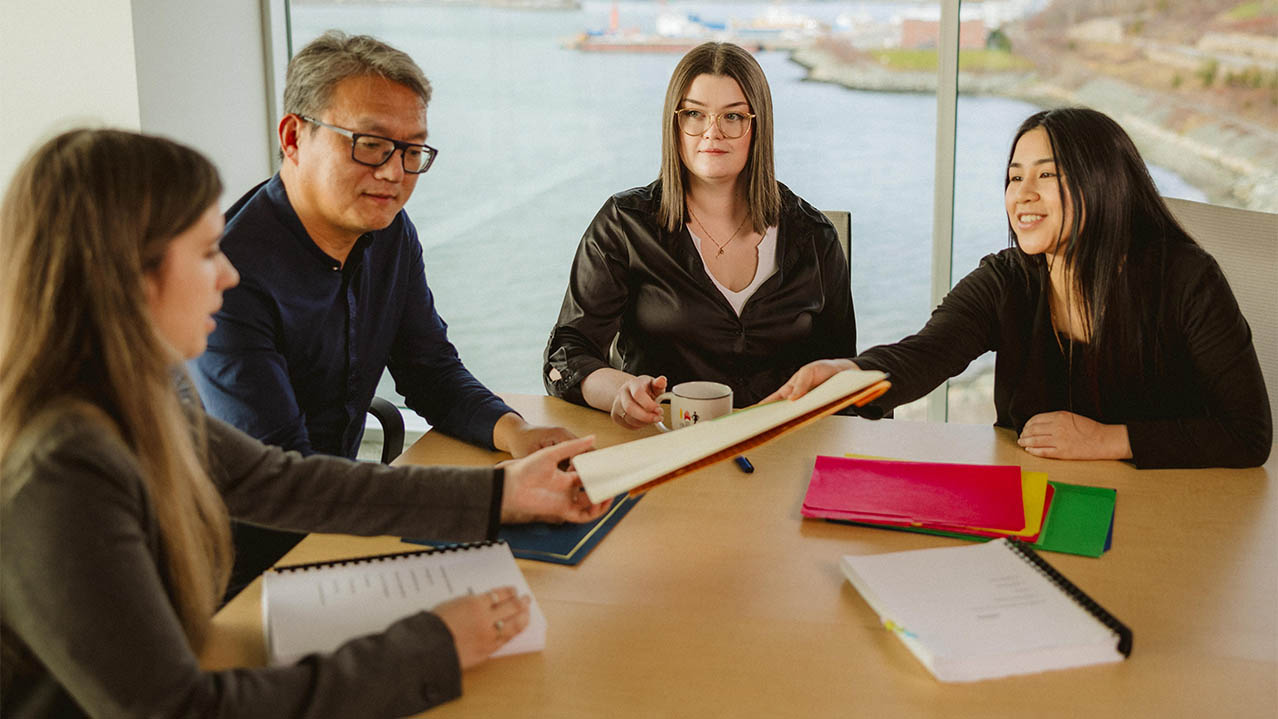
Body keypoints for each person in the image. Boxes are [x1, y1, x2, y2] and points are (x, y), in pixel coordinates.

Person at [0, 129, 609, 717]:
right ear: (126, 274)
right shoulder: (61, 471)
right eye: (207, 251)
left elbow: (277, 481)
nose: (228, 273)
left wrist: (506, 492)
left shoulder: (131, 396)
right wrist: (431, 647)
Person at [191, 31, 574, 592]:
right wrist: (483, 503)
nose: (395, 173)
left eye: (412, 151)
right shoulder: (228, 278)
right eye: (370, 144)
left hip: (338, 517)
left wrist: (513, 431)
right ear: (294, 137)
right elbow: (283, 487)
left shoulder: (389, 233)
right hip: (241, 562)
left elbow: (428, 370)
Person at [766, 108, 1271, 469]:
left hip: (1168, 514)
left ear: (1103, 182)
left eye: (1046, 175)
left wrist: (1110, 439)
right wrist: (847, 372)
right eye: (1013, 178)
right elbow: (924, 354)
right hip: (1034, 504)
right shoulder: (1006, 279)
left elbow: (1247, 435)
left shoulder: (1185, 280)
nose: (1021, 196)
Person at [543, 42, 856, 428]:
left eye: (733, 117)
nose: (712, 132)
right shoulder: (624, 225)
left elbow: (845, 376)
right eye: (694, 113)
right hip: (661, 447)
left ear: (758, 126)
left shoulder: (815, 237)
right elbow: (565, 354)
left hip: (785, 450)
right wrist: (619, 390)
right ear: (675, 123)